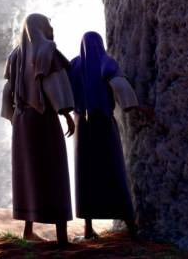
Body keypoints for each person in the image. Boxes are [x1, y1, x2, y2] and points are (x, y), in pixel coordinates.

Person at [1, 13, 76, 246]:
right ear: (40, 27)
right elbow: (53, 84)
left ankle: (27, 230)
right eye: (48, 23)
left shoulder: (15, 55)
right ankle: (62, 237)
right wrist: (66, 113)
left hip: (22, 122)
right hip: (43, 120)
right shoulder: (47, 50)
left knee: (29, 174)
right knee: (54, 172)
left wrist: (13, 117)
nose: (51, 27)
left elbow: (7, 91)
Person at [68, 31, 145, 240]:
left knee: (87, 176)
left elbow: (63, 89)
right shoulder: (105, 62)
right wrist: (134, 106)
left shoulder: (74, 65)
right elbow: (119, 85)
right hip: (102, 123)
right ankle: (131, 228)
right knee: (113, 171)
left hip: (81, 127)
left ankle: (87, 229)